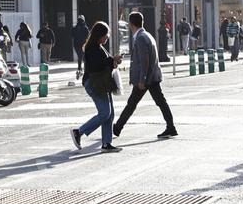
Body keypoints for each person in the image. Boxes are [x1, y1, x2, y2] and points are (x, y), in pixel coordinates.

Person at [112, 12, 178, 140]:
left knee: (132, 103)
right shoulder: (147, 35)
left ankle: (117, 128)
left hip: (147, 78)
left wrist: (142, 79)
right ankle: (171, 127)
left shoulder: (141, 37)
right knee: (159, 102)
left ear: (131, 24)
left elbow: (144, 60)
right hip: (152, 76)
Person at [70, 21, 121, 152]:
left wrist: (113, 61)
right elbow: (95, 66)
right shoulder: (92, 48)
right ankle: (79, 132)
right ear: (99, 35)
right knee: (105, 113)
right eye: (106, 36)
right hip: (94, 83)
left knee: (110, 114)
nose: (107, 38)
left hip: (102, 82)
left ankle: (106, 143)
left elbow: (103, 64)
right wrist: (112, 60)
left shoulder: (98, 46)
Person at [71, 15, 89, 80]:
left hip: (77, 44)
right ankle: (81, 69)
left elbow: (72, 35)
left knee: (80, 56)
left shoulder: (75, 28)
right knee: (82, 57)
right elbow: (88, 36)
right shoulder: (85, 28)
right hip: (83, 44)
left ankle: (80, 69)